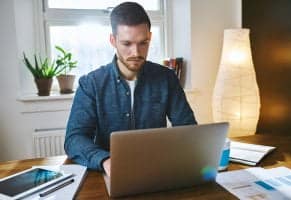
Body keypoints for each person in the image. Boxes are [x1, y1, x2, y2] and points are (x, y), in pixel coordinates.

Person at [64, 2, 197, 175]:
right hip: (108, 173)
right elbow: (74, 139)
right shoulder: (91, 84)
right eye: (127, 43)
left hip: (157, 171)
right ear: (113, 40)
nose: (136, 52)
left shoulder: (167, 78)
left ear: (150, 36)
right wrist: (105, 160)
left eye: (143, 43)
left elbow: (188, 128)